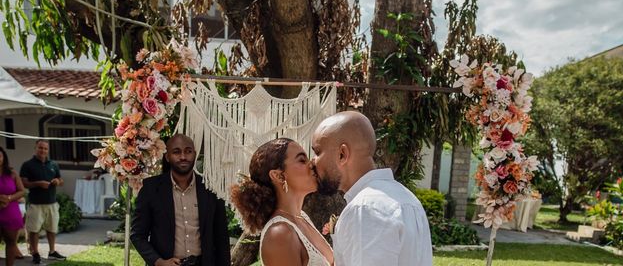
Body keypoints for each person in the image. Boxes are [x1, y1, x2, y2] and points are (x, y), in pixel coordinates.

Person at [312, 111, 432, 266]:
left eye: (317, 152)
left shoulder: (365, 208)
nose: (313, 161)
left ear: (342, 154)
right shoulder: (407, 197)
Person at [131, 134, 231, 266]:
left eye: (188, 151)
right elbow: (137, 235)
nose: (183, 157)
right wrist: (159, 262)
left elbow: (221, 237)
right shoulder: (151, 189)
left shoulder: (210, 189)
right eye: (176, 152)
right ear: (167, 156)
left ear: (194, 154)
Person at [230, 138, 333, 266]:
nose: (312, 164)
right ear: (278, 176)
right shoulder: (279, 234)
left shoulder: (302, 218)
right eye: (302, 160)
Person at [20, 139, 65, 264]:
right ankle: (35, 253)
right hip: (35, 203)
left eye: (45, 148)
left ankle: (52, 251)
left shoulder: (53, 164)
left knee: (52, 229)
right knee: (34, 230)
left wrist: (57, 181)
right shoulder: (28, 165)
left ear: (48, 150)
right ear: (35, 148)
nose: (43, 150)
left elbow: (61, 180)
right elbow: (23, 183)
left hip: (51, 203)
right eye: (40, 148)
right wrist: (38, 183)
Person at [0, 146, 26, 266]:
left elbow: (21, 191)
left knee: (11, 243)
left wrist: (9, 198)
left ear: (4, 157)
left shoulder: (12, 173)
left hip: (10, 211)